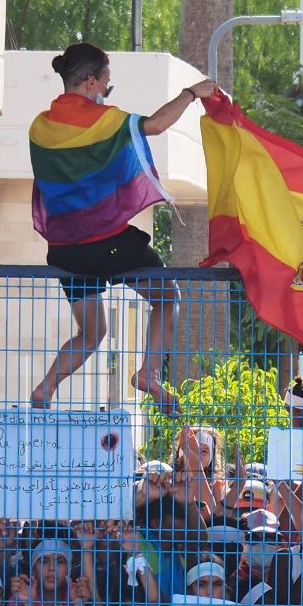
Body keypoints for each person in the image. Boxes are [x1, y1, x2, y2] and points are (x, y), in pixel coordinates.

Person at [28, 41, 216, 412]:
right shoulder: (104, 119)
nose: (106, 91)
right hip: (108, 245)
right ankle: (149, 374)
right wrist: (191, 93)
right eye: (106, 84)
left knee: (92, 333)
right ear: (91, 82)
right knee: (167, 296)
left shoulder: (40, 127)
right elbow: (156, 125)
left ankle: (44, 390)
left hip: (65, 252)